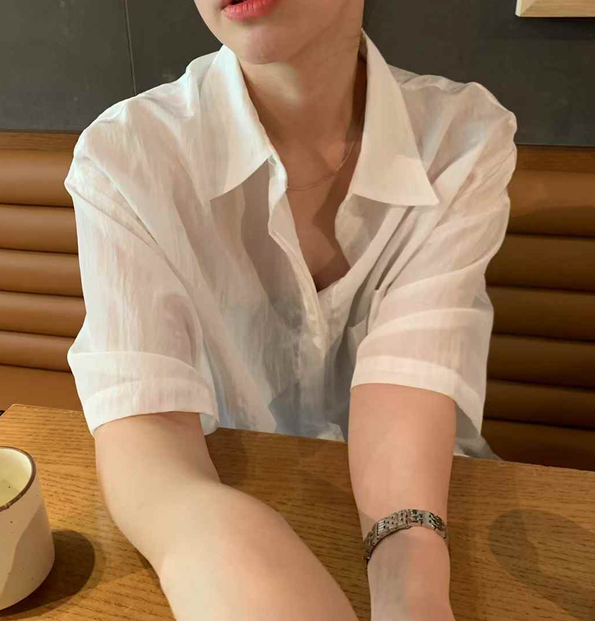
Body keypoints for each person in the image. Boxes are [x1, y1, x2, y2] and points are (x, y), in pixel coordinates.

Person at [64, 1, 517, 620]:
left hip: (436, 497)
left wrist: (409, 590)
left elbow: (407, 385)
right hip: (233, 481)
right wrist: (223, 540)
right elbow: (146, 426)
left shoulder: (460, 139)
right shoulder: (127, 155)